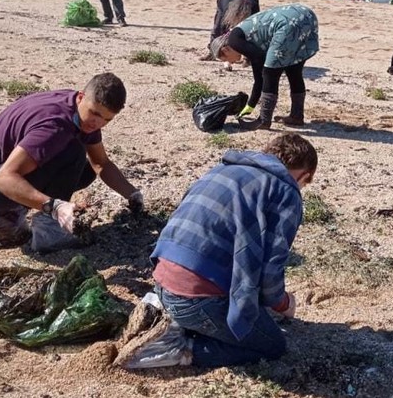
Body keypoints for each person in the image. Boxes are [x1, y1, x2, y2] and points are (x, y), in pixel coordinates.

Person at [118, 133, 316, 369]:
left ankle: (171, 315)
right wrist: (284, 304)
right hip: (194, 296)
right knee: (272, 345)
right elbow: (270, 271)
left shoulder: (223, 169)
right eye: (304, 183)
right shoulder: (286, 191)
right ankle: (176, 347)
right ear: (304, 175)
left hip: (162, 279)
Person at [0, 73, 144, 246]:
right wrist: (55, 207)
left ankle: (7, 215)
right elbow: (4, 178)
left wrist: (132, 194)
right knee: (74, 152)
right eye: (95, 113)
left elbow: (100, 163)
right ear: (81, 97)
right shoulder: (54, 126)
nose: (98, 123)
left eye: (106, 120)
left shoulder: (76, 110)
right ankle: (49, 233)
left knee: (85, 171)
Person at [209, 4, 320, 130]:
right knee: (293, 70)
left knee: (270, 73)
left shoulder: (234, 40)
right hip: (306, 15)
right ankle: (296, 116)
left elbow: (260, 70)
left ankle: (264, 120)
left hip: (287, 24)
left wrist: (251, 104)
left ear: (225, 49)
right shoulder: (241, 35)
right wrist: (251, 105)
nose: (231, 63)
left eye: (225, 59)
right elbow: (259, 65)